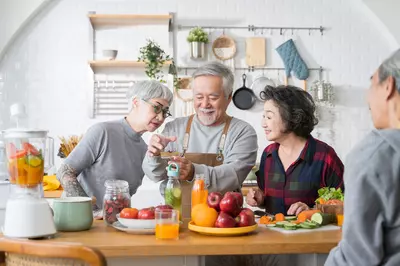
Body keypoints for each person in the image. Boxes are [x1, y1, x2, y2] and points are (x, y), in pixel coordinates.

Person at [142, 61, 258, 224]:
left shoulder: (243, 132)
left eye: (213, 97)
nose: (204, 104)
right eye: (199, 97)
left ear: (229, 97)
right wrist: (153, 156)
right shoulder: (175, 128)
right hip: (175, 222)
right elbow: (156, 175)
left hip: (222, 224)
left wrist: (193, 172)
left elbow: (232, 176)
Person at [325, 49, 400, 265]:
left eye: (371, 83)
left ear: (388, 86)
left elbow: (356, 258)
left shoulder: (375, 155)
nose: (368, 97)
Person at [57, 80, 173, 218]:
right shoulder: (103, 132)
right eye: (156, 107)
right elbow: (64, 171)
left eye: (165, 112)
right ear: (136, 102)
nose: (160, 117)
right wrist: (90, 211)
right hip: (77, 219)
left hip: (113, 223)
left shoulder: (144, 150)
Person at [246, 85, 344, 216]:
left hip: (312, 235)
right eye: (264, 117)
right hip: (273, 234)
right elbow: (267, 197)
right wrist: (260, 197)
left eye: (269, 117)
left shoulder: (324, 156)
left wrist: (312, 211)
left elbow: (346, 203)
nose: (263, 124)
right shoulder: (268, 154)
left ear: (293, 117)